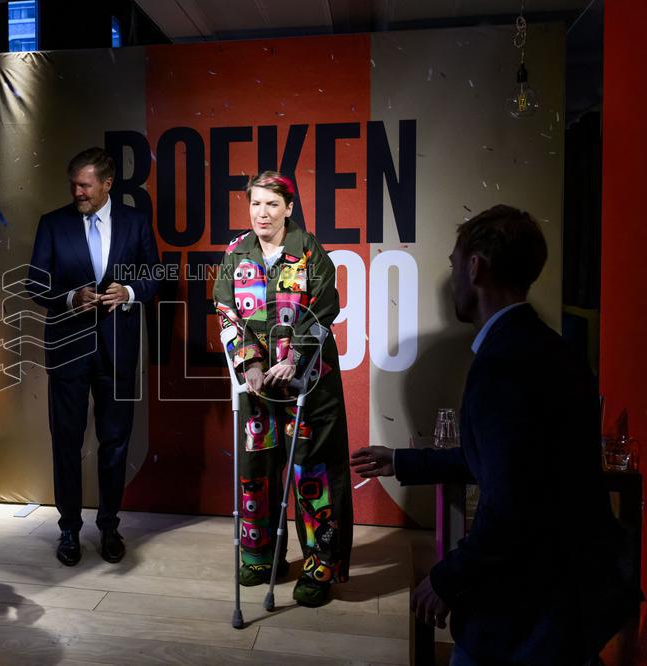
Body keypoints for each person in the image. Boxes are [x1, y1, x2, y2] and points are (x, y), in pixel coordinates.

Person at [350, 205, 641, 665]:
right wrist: (404, 461)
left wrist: (446, 579)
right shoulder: (553, 349)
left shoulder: (501, 366)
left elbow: (510, 506)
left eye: (452, 265)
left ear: (474, 266)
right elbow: (514, 461)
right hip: (574, 598)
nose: (452, 281)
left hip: (529, 613)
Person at [212, 171, 352, 608]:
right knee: (256, 469)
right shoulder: (237, 253)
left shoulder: (310, 253)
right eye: (255, 204)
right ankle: (260, 555)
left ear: (288, 208)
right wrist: (249, 363)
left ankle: (319, 564)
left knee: (313, 473)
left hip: (307, 383)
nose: (262, 213)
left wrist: (294, 359)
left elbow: (324, 312)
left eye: (272, 204)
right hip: (257, 387)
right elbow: (225, 309)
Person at [27, 147, 160, 566]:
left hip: (118, 352)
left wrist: (131, 292)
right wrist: (69, 298)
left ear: (107, 184)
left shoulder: (136, 222)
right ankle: (68, 529)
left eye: (85, 185)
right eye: (73, 185)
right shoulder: (53, 224)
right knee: (66, 442)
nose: (77, 192)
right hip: (67, 351)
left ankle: (109, 526)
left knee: (115, 443)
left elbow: (154, 273)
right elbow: (33, 283)